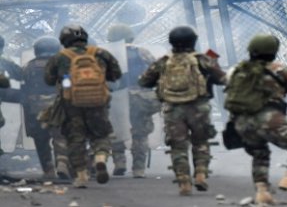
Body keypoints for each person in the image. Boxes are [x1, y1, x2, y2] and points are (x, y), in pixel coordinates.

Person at [223, 34, 287, 204]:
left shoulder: (235, 70)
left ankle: (262, 192)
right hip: (268, 119)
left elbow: (228, 88)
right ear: (273, 51)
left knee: (260, 153)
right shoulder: (279, 70)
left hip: (240, 123)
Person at [138, 26, 226, 196]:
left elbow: (144, 81)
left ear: (171, 42)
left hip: (172, 109)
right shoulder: (203, 59)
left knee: (178, 146)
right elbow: (222, 79)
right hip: (199, 107)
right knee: (201, 142)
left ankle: (184, 181)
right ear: (194, 41)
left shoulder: (163, 62)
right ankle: (200, 174)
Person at [44, 25, 122, 188]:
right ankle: (100, 159)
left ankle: (81, 175)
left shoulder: (60, 57)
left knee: (75, 138)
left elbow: (49, 80)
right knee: (101, 134)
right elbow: (116, 75)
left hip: (71, 103)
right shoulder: (100, 53)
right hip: (98, 102)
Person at [106, 24, 159, 178]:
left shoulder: (108, 54)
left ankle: (119, 163)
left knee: (116, 129)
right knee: (140, 133)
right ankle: (138, 168)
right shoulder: (142, 52)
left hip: (116, 96)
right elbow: (156, 71)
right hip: (140, 97)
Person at [20, 36, 70, 180]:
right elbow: (68, 86)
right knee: (60, 136)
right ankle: (62, 163)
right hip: (57, 106)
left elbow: (24, 89)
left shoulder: (28, 67)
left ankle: (48, 169)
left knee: (40, 139)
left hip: (35, 108)